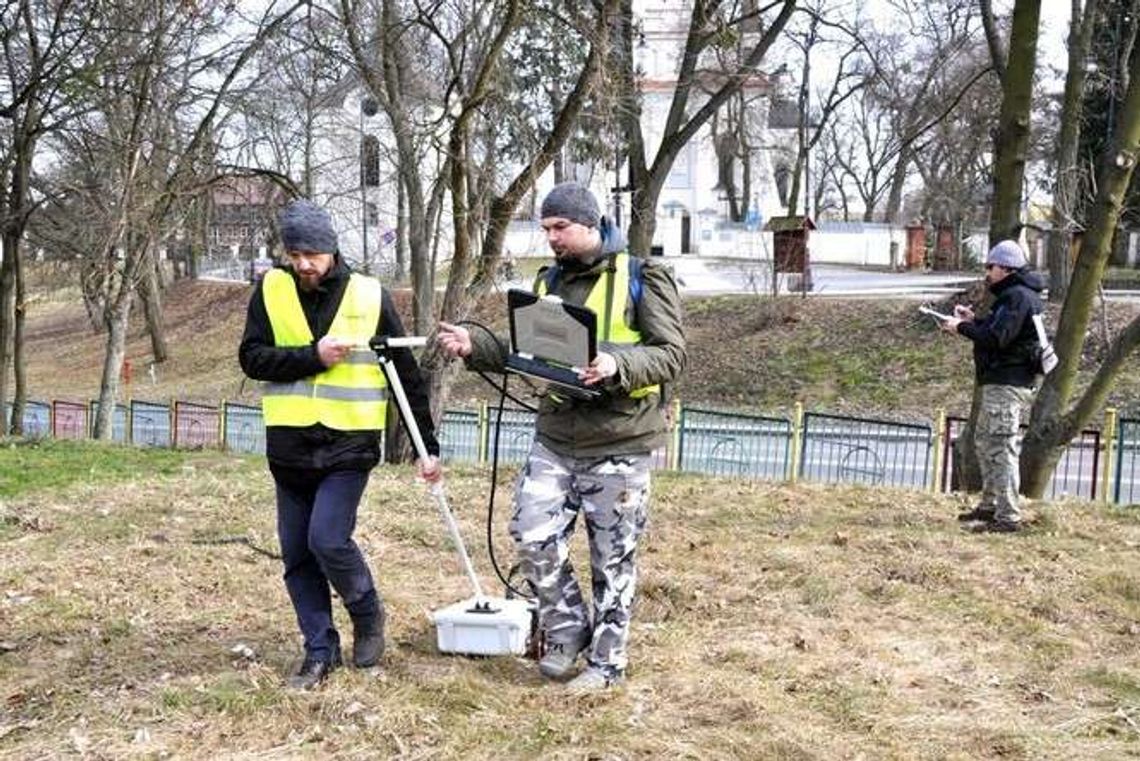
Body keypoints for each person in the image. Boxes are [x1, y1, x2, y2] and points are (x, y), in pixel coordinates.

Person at [436, 182, 686, 690]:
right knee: (532, 536)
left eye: (560, 227)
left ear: (591, 224)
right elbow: (530, 349)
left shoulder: (643, 277)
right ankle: (568, 630)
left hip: (619, 441)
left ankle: (606, 664)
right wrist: (476, 346)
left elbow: (672, 354)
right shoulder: (548, 281)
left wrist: (616, 362)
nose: (551, 237)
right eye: (546, 228)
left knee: (611, 559)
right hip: (555, 436)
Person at [239, 198, 441, 690]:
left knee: (327, 538)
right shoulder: (270, 289)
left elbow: (404, 376)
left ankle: (367, 614)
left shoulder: (371, 296)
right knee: (297, 554)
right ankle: (319, 652)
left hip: (349, 445)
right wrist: (313, 356)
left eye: (312, 254)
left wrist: (424, 445)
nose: (304, 264)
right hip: (289, 449)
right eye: (295, 254)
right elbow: (252, 359)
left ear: (331, 249)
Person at [940, 239, 1045, 534]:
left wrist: (960, 328)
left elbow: (997, 340)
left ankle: (1008, 516)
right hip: (1001, 381)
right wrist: (975, 320)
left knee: (1001, 447)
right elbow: (999, 330)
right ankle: (989, 506)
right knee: (987, 443)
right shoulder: (1014, 296)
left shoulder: (1017, 297)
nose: (987, 272)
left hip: (1008, 382)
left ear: (1006, 268)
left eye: (991, 266)